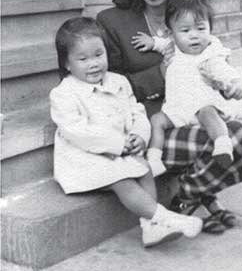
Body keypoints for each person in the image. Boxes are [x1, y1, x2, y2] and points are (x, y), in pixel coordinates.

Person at [97, 0, 242, 234]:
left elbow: (212, 64)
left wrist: (222, 82)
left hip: (197, 109)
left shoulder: (192, 15)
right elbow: (109, 87)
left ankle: (191, 195)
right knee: (230, 138)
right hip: (151, 122)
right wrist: (160, 73)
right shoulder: (111, 22)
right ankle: (193, 196)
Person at [50, 17, 203, 248]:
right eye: (83, 59)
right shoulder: (64, 93)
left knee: (144, 167)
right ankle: (163, 217)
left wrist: (138, 136)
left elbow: (137, 112)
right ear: (67, 64)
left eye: (98, 55)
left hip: (121, 148)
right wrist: (117, 143)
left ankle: (150, 227)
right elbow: (77, 132)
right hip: (84, 158)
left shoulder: (119, 82)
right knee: (121, 178)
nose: (93, 64)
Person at [147, 0, 242, 175]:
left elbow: (224, 71)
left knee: (208, 112)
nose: (194, 36)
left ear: (210, 29)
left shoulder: (210, 53)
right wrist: (150, 42)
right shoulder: (171, 47)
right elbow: (160, 43)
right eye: (185, 31)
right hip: (177, 108)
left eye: (201, 29)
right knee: (156, 120)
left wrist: (235, 85)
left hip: (202, 105)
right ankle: (154, 159)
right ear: (172, 32)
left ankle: (222, 144)